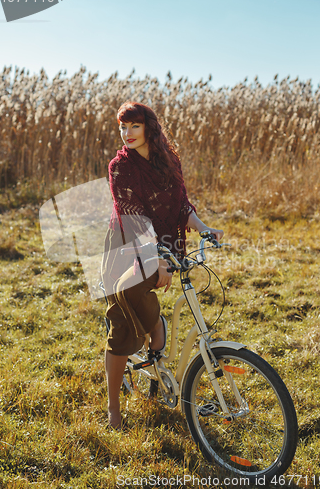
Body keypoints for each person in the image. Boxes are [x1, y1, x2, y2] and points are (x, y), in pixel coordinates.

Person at [102, 101, 224, 429]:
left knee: (141, 318)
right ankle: (114, 409)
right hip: (125, 249)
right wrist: (155, 259)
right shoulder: (120, 167)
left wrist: (203, 228)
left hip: (161, 249)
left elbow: (182, 204)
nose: (127, 134)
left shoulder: (169, 161)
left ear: (148, 128)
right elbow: (132, 216)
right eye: (122, 127)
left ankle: (155, 344)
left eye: (134, 126)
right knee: (123, 329)